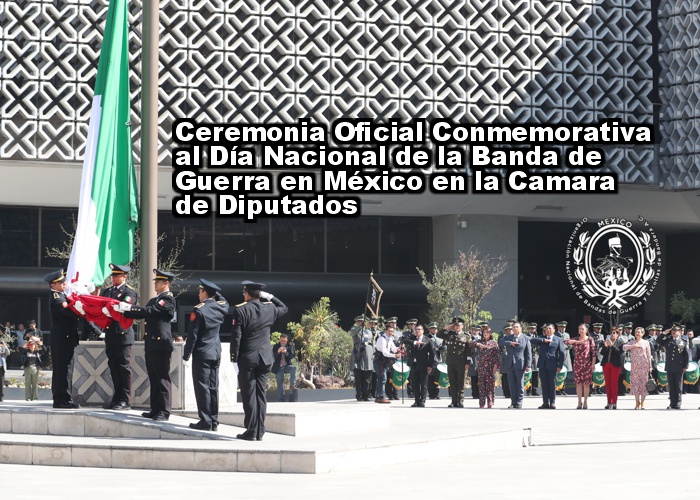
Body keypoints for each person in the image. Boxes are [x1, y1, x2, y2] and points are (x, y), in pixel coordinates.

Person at [231, 280, 288, 441]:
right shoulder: (269, 308)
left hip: (247, 358)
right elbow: (284, 308)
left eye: (244, 293)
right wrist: (270, 296)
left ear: (247, 294)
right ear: (260, 295)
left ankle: (251, 430)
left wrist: (233, 359)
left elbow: (236, 337)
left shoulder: (240, 310)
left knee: (249, 395)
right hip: (265, 358)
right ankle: (260, 430)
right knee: (260, 395)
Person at [118, 269, 177, 421]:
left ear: (166, 283)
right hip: (151, 342)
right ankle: (155, 408)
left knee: (162, 378)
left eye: (158, 281)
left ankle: (164, 411)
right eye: (155, 281)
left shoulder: (168, 299)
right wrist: (122, 310)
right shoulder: (154, 299)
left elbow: (151, 311)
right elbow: (142, 312)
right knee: (154, 377)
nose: (155, 284)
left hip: (161, 343)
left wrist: (129, 308)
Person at [184, 279, 229, 431]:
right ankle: (214, 421)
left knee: (202, 387)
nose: (198, 294)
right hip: (215, 352)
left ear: (204, 293)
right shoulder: (220, 307)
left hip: (202, 353)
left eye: (200, 291)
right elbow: (224, 301)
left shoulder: (199, 310)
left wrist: (186, 355)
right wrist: (215, 291)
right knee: (213, 387)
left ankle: (205, 420)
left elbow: (193, 336)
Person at [100, 263, 137, 410]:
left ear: (124, 276)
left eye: (117, 276)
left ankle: (125, 399)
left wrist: (110, 309)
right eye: (113, 276)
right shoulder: (107, 291)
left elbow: (124, 308)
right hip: (110, 333)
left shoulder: (129, 292)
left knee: (123, 367)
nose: (113, 278)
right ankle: (117, 397)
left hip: (123, 334)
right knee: (113, 367)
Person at [44, 269, 81, 409]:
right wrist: (80, 308)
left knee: (66, 369)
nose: (64, 283)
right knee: (62, 370)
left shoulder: (62, 295)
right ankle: (61, 400)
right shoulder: (56, 297)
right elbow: (69, 313)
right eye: (60, 282)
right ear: (53, 285)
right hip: (61, 340)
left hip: (66, 339)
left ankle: (66, 398)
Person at [437, 317, 471, 408]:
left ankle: (460, 401)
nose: (457, 327)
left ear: (462, 326)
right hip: (451, 361)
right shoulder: (449, 334)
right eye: (455, 325)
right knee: (452, 382)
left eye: (458, 325)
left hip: (461, 362)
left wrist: (468, 362)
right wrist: (448, 327)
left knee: (460, 382)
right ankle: (453, 401)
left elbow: (468, 350)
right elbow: (438, 334)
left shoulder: (466, 336)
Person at [529, 323, 565, 409]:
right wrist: (543, 340)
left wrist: (560, 365)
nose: (548, 330)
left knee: (552, 384)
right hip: (542, 365)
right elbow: (531, 340)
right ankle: (545, 402)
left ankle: (552, 402)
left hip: (553, 365)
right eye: (546, 329)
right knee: (544, 384)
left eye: (550, 329)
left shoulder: (558, 339)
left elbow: (562, 353)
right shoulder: (541, 338)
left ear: (554, 330)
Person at [498, 321, 532, 409]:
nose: (515, 329)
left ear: (521, 328)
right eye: (514, 327)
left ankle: (519, 402)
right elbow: (500, 342)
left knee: (520, 384)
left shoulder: (525, 338)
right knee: (512, 384)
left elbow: (528, 353)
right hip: (510, 364)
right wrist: (510, 343)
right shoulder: (508, 337)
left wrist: (528, 365)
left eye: (517, 327)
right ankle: (513, 402)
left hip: (520, 363)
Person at [656, 324, 689, 409]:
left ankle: (678, 403)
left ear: (679, 332)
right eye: (672, 331)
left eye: (675, 331)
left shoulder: (683, 341)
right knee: (671, 385)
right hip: (670, 366)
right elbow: (658, 340)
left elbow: (686, 355)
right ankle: (672, 403)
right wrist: (664, 333)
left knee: (678, 386)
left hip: (679, 366)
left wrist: (685, 366)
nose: (673, 332)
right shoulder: (668, 340)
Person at [565, 323, 597, 409]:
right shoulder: (575, 339)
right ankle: (579, 402)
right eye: (579, 329)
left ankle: (585, 401)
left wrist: (593, 364)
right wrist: (577, 342)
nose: (581, 330)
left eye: (582, 329)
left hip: (587, 364)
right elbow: (566, 341)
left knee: (586, 384)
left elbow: (594, 353)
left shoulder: (590, 339)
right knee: (578, 384)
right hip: (578, 364)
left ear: (586, 330)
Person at [622, 326, 652, 409]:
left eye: (639, 332)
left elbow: (649, 355)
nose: (637, 333)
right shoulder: (632, 342)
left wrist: (650, 366)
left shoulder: (646, 342)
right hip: (635, 366)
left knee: (643, 384)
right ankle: (637, 402)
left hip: (644, 365)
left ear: (642, 333)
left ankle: (642, 402)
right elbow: (624, 347)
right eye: (636, 332)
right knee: (635, 384)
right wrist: (633, 346)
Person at [469, 326, 500, 408]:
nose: (485, 335)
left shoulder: (494, 343)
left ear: (490, 334)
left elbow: (496, 356)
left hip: (490, 366)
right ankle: (482, 403)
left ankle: (490, 402)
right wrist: (478, 344)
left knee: (490, 385)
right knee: (481, 385)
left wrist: (496, 366)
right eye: (484, 333)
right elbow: (470, 344)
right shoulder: (480, 341)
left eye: (487, 333)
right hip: (481, 366)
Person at [406, 324, 435, 407]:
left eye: (419, 329)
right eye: (416, 330)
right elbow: (404, 340)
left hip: (424, 365)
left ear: (423, 330)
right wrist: (415, 342)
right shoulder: (412, 338)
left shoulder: (428, 340)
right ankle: (416, 400)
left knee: (424, 384)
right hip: (414, 364)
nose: (417, 331)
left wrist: (430, 365)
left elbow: (432, 354)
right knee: (415, 383)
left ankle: (422, 400)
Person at [373, 324, 400, 404]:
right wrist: (394, 355)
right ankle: (381, 396)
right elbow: (385, 352)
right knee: (382, 378)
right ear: (386, 331)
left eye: (392, 331)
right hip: (379, 361)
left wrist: (399, 349)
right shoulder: (382, 339)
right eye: (389, 331)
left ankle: (378, 396)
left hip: (384, 362)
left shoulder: (390, 339)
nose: (390, 333)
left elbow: (393, 348)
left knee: (381, 378)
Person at [351, 316, 374, 401]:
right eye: (360, 322)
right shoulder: (354, 329)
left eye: (363, 322)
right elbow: (354, 332)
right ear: (357, 322)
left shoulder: (368, 331)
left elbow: (371, 341)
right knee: (358, 376)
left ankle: (366, 395)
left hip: (368, 354)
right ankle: (359, 394)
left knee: (367, 376)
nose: (361, 323)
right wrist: (360, 327)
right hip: (359, 353)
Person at [600, 328, 624, 409]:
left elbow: (619, 352)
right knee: (608, 384)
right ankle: (608, 402)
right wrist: (606, 346)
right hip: (606, 364)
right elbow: (602, 353)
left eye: (614, 333)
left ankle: (614, 402)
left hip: (615, 365)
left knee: (614, 383)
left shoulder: (620, 342)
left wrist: (612, 345)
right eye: (611, 333)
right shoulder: (607, 341)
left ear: (617, 334)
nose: (612, 334)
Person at [272, 333, 296, 402]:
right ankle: (281, 399)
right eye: (281, 341)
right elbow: (272, 357)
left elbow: (291, 356)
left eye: (284, 341)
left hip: (286, 366)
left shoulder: (289, 347)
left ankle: (292, 384)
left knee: (293, 368)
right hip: (278, 367)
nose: (283, 342)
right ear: (280, 340)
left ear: (287, 340)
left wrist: (286, 352)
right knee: (280, 383)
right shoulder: (276, 346)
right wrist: (278, 352)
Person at [426, 322, 444, 400]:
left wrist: (443, 348)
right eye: (433, 328)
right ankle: (431, 394)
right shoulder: (426, 338)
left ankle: (436, 393)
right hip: (430, 359)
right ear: (430, 329)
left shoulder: (440, 338)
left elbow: (443, 347)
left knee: (437, 377)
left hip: (438, 359)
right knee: (430, 377)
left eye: (436, 328)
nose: (435, 330)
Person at [554, 321, 572, 396]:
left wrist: (569, 346)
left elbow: (570, 344)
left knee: (565, 374)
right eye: (561, 327)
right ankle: (557, 389)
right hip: (558, 356)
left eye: (564, 327)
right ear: (558, 327)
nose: (563, 329)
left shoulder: (567, 335)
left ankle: (563, 389)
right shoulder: (555, 335)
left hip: (566, 356)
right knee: (558, 373)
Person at [525, 323, 540, 397]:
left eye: (533, 329)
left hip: (536, 356)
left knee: (535, 374)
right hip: (529, 356)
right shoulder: (526, 337)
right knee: (528, 374)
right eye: (531, 328)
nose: (532, 330)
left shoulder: (537, 336)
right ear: (528, 329)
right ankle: (528, 390)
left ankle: (534, 389)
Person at [0, 338, 9, 402]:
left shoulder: (3, 347)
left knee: (1, 383)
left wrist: (5, 346)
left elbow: (8, 353)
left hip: (1, 367)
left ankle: (1, 397)